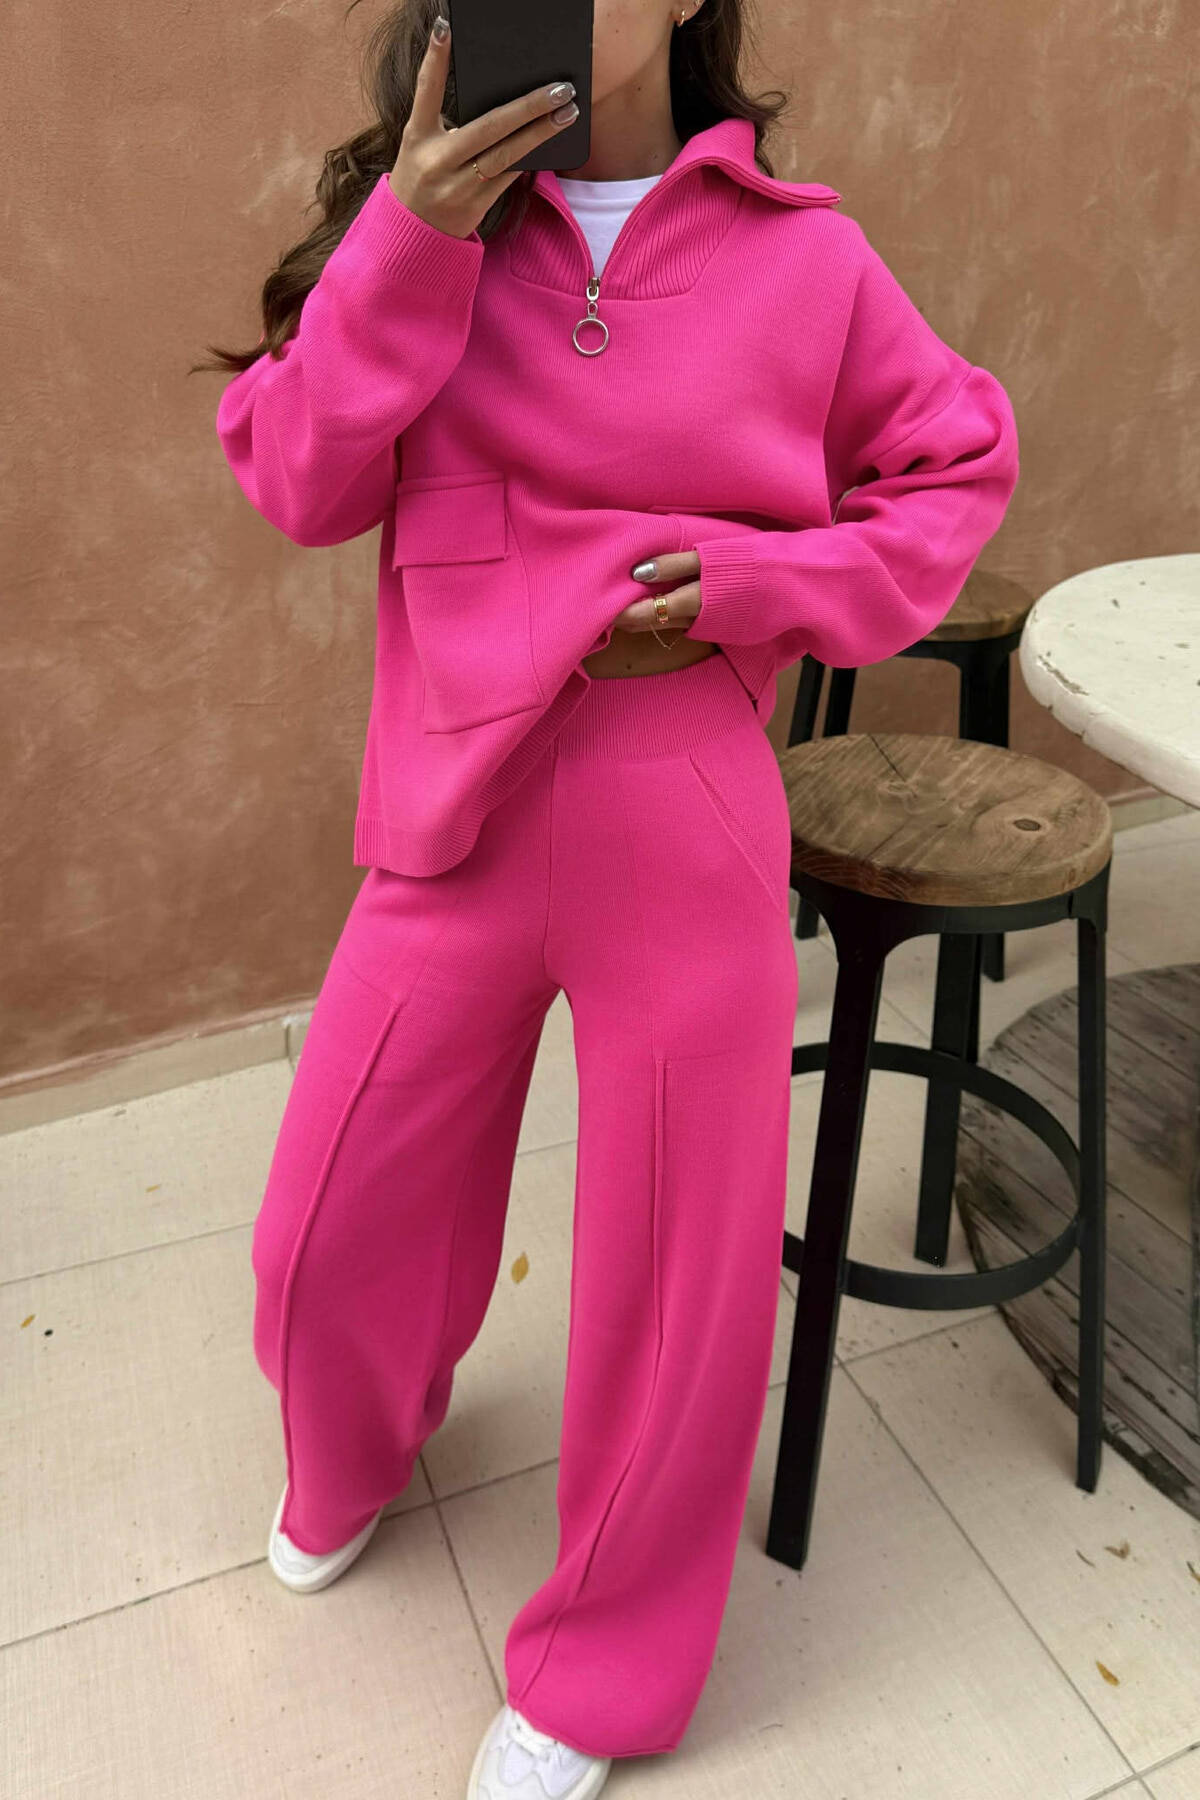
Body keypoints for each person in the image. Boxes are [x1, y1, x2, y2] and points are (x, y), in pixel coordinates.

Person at [201, 3, 1019, 1794]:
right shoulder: (424, 232)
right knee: (324, 1227)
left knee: (677, 1270)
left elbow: (957, 466)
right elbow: (297, 477)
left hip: (681, 790)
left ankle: (606, 1673)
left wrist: (761, 582)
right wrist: (408, 237)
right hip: (459, 787)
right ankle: (357, 1439)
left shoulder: (808, 263)